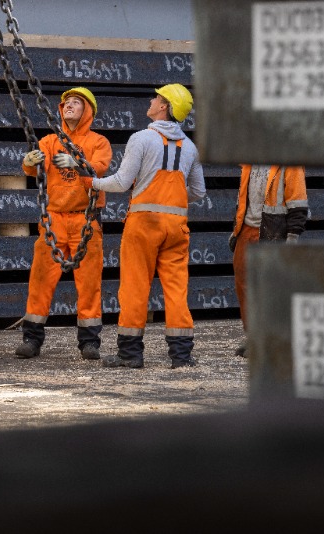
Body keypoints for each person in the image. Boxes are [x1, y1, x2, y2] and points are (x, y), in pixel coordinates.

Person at [86, 83, 205, 369]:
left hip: (144, 223)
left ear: (164, 106)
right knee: (176, 289)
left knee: (135, 287)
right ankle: (181, 356)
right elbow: (198, 192)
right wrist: (173, 200)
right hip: (176, 225)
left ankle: (130, 354)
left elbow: (121, 182)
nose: (151, 101)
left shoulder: (141, 138)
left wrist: (91, 182)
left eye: (156, 98)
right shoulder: (189, 147)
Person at [16, 87, 113, 360]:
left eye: (75, 103)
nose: (68, 106)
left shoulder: (98, 142)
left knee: (89, 282)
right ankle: (32, 339)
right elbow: (36, 167)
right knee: (40, 280)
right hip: (54, 220)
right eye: (66, 103)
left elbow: (101, 168)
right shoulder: (49, 141)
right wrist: (28, 162)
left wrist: (77, 162)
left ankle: (89, 342)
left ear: (87, 111)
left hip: (86, 220)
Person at [229, 164, 308, 357]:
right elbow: (242, 200)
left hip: (273, 233)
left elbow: (298, 204)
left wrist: (292, 238)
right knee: (244, 286)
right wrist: (236, 232)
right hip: (247, 231)